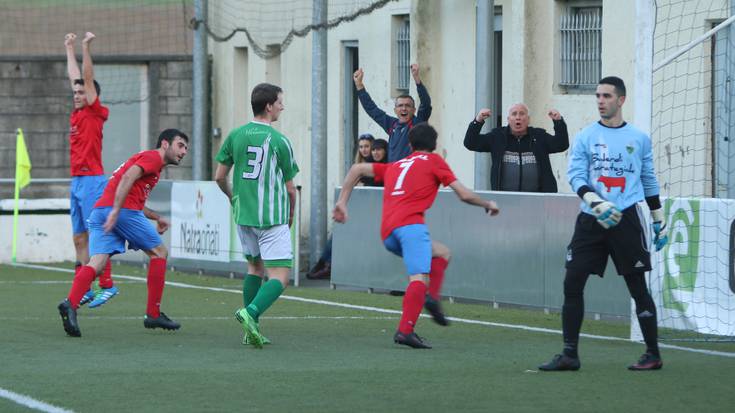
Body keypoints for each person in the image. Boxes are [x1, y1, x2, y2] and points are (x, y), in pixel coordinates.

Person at [539, 76, 669, 371]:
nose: (600, 100)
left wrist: (658, 216)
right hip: (592, 219)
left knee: (637, 286)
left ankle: (653, 354)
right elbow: (576, 176)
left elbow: (648, 178)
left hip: (626, 219)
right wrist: (596, 202)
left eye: (606, 96)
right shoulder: (586, 136)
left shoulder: (638, 138)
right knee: (572, 281)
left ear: (620, 100)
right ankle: (570, 354)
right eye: (597, 95)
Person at [333, 123, 500, 349]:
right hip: (411, 227)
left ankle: (432, 298)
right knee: (418, 278)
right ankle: (405, 330)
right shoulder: (435, 161)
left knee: (442, 252)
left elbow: (356, 169)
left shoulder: (397, 164)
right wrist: (486, 204)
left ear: (410, 145)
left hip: (388, 231)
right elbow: (462, 194)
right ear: (434, 144)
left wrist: (342, 202)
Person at [57, 129, 190, 337]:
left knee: (97, 264)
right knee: (159, 253)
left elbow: (134, 198)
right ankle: (153, 314)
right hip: (119, 211)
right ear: (165, 144)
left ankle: (70, 304)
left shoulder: (151, 165)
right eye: (180, 145)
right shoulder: (153, 157)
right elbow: (127, 177)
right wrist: (117, 211)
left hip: (102, 210)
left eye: (186, 148)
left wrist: (156, 217)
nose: (183, 152)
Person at [214, 83, 299, 348]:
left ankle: (252, 329)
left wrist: (232, 198)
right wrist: (291, 213)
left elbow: (219, 177)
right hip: (271, 217)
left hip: (244, 216)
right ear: (269, 106)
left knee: (254, 268)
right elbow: (290, 188)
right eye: (280, 102)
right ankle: (250, 314)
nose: (282, 106)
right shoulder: (279, 140)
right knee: (281, 276)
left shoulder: (235, 135)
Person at [64, 32, 118, 308]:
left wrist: (85, 48)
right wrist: (69, 47)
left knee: (95, 233)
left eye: (81, 92)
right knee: (78, 237)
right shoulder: (76, 113)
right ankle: (83, 286)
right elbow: (76, 77)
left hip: (92, 181)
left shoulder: (94, 111)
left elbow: (85, 76)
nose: (76, 95)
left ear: (92, 94)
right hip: (77, 182)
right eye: (74, 93)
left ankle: (107, 284)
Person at [463, 104, 569, 192]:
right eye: (514, 114)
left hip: (538, 200)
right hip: (505, 201)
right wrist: (478, 121)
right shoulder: (497, 136)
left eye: (522, 114)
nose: (518, 117)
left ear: (528, 119)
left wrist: (559, 121)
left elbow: (561, 144)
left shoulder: (539, 136)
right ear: (508, 119)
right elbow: (470, 143)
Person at [353, 64, 432, 162]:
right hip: (393, 174)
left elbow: (426, 104)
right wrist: (359, 85)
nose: (404, 108)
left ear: (414, 110)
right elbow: (372, 109)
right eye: (400, 105)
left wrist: (417, 80)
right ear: (395, 110)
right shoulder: (392, 124)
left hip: (409, 174)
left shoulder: (417, 124)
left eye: (407, 105)